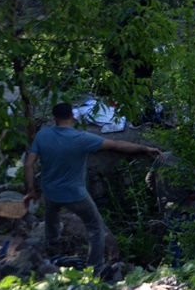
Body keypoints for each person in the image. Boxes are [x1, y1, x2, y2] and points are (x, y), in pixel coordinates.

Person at [24, 102, 162, 268]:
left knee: (51, 219)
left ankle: (52, 251)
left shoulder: (43, 135)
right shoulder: (81, 138)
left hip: (50, 192)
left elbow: (28, 163)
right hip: (76, 195)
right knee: (95, 228)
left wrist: (31, 190)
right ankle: (95, 268)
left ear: (54, 118)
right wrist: (144, 148)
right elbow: (116, 145)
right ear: (73, 117)